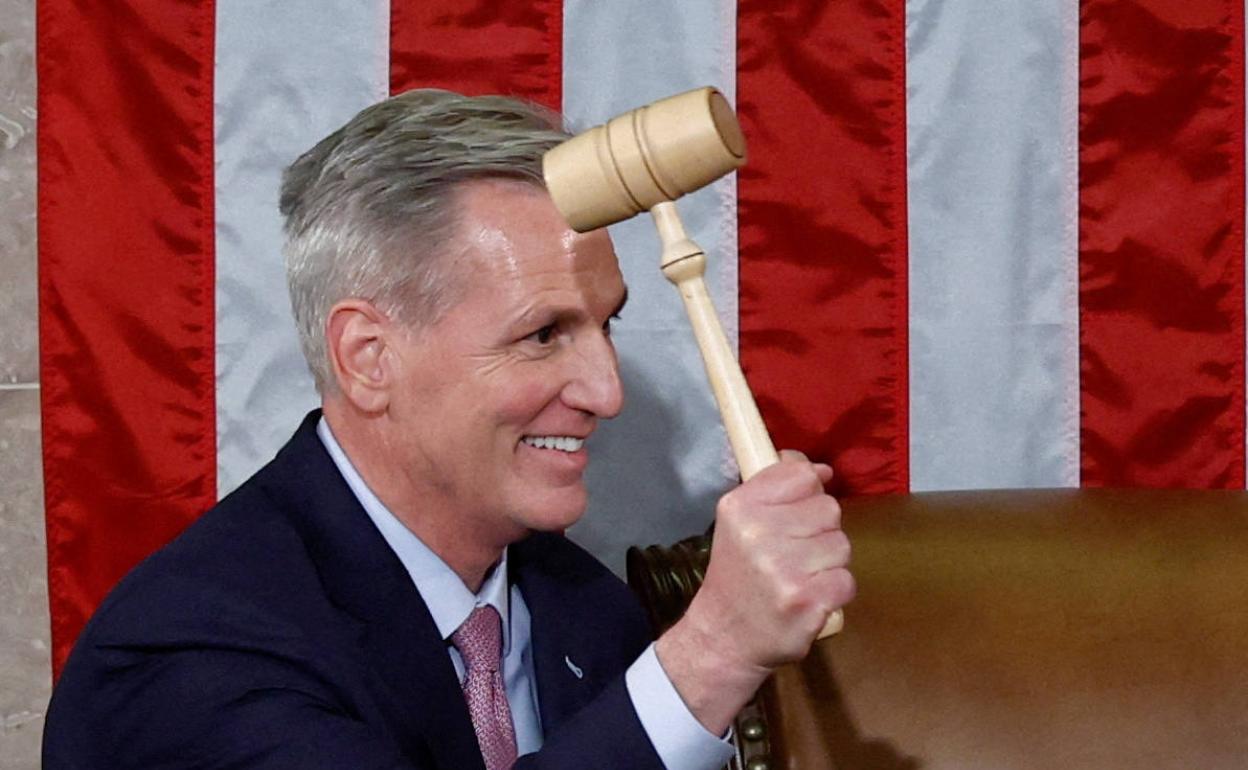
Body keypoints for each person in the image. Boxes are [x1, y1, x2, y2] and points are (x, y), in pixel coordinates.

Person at [42, 89, 854, 769]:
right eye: (542, 335)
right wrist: (708, 659)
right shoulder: (186, 655)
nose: (607, 393)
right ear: (368, 358)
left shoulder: (587, 611)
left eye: (605, 327)